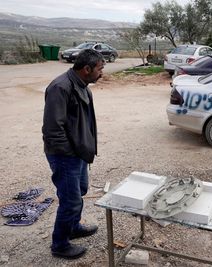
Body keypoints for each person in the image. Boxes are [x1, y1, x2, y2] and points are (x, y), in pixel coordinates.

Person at [42, 49, 105, 259]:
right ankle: (59, 244)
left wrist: (83, 150)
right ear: (86, 69)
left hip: (77, 153)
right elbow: (52, 130)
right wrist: (69, 154)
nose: (101, 73)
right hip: (64, 156)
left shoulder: (84, 87)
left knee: (80, 190)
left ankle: (73, 227)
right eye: (99, 69)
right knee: (70, 200)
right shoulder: (61, 87)